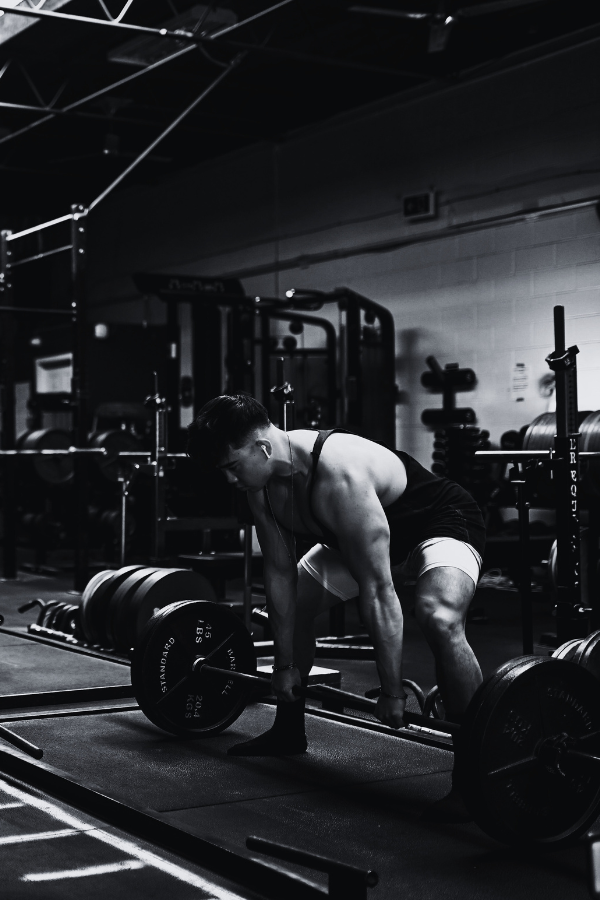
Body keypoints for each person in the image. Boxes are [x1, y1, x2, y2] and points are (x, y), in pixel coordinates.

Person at [187, 394, 485, 820]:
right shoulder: (261, 486)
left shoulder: (338, 473)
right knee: (298, 604)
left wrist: (392, 690)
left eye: (233, 467)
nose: (231, 480)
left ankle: (475, 773)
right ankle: (288, 728)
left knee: (439, 617)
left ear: (263, 448)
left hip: (436, 522)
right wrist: (283, 665)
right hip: (355, 536)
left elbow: (379, 589)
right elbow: (280, 575)